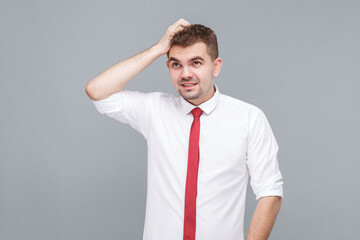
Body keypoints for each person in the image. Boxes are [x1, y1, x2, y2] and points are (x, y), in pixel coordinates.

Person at [85, 18, 283, 240]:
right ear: (168, 66)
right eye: (176, 64)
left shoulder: (249, 118)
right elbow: (97, 90)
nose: (185, 74)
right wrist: (158, 49)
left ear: (216, 66)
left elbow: (270, 192)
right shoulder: (155, 110)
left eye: (196, 63)